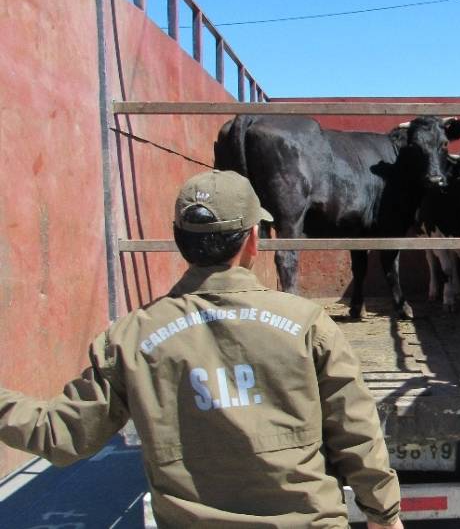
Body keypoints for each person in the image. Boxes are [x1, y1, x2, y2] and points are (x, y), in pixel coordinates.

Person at [0, 170, 403, 529]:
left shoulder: (130, 339)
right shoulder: (306, 325)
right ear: (252, 240)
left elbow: (59, 435)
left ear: (179, 240)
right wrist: (383, 513)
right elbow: (357, 432)